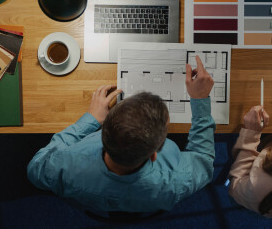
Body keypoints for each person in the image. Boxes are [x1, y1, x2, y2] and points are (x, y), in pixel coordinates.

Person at [27, 56, 216, 217]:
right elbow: (204, 160)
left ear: (102, 132)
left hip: (92, 204)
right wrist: (200, 101)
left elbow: (35, 169)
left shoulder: (65, 166)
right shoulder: (174, 182)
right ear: (154, 155)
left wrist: (90, 120)